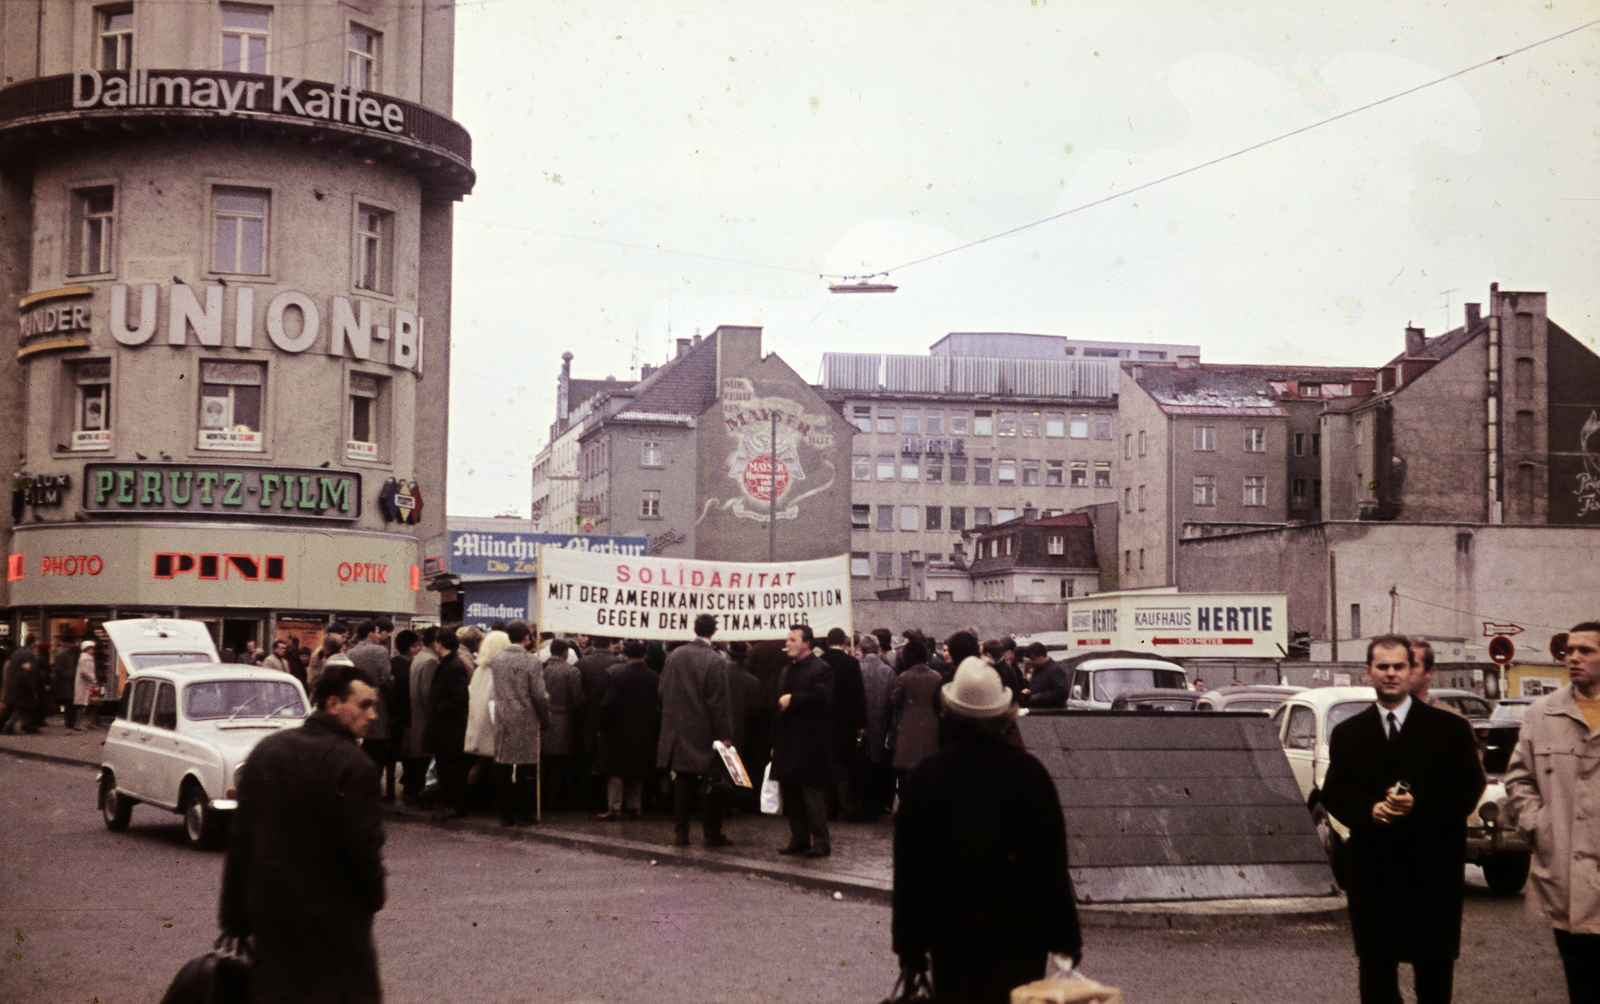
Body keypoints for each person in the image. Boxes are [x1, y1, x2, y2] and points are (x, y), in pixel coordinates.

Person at [894, 656, 1081, 1004]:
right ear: (1003, 711)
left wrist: (910, 948)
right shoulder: (1029, 773)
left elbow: (910, 868)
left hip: (951, 930)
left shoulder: (928, 775)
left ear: (948, 711)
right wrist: (1065, 939)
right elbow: (1050, 862)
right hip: (1019, 931)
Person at [1319, 634, 1485, 1004]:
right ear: (1368, 673)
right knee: (1376, 974)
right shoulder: (1348, 733)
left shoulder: (1449, 730)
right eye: (1382, 667)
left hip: (1432, 873)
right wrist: (1369, 810)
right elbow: (1335, 792)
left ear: (1413, 672)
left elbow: (1468, 790)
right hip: (1373, 874)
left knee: (1434, 975)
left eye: (1399, 666)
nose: (1391, 674)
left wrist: (1419, 805)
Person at [219, 659, 386, 1004]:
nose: (372, 716)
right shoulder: (354, 766)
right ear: (333, 704)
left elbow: (240, 841)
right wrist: (373, 897)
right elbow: (363, 852)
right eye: (365, 705)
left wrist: (234, 918)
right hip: (335, 925)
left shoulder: (268, 750)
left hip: (273, 918)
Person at [1504, 620, 1600, 1002]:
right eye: (1568, 650)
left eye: (1585, 651)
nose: (1573, 658)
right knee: (1582, 985)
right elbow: (1519, 779)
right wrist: (1539, 826)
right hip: (1567, 878)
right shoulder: (1542, 714)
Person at [657, 613, 735, 847]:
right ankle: (712, 834)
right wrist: (725, 734)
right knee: (710, 782)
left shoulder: (674, 656)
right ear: (713, 631)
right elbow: (718, 702)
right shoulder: (716, 660)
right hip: (703, 731)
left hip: (676, 730)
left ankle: (681, 833)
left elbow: (661, 690)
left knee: (683, 781)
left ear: (694, 628)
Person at [770, 625, 835, 857]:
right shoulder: (787, 669)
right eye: (787, 639)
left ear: (806, 643)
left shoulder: (821, 668)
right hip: (787, 741)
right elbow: (778, 708)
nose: (787, 643)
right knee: (791, 793)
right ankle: (799, 839)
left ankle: (821, 842)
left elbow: (821, 698)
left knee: (811, 795)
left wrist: (794, 699)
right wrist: (775, 741)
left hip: (810, 742)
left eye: (792, 639)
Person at [487, 621, 550, 827]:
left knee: (503, 766)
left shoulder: (496, 659)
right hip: (525, 717)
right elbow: (539, 695)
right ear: (526, 638)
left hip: (503, 716)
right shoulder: (530, 660)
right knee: (526, 767)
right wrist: (545, 717)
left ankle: (505, 814)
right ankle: (524, 813)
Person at [596, 640, 659, 820]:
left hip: (618, 730)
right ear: (644, 656)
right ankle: (634, 807)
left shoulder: (615, 673)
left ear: (625, 655)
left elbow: (608, 704)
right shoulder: (654, 677)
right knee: (637, 769)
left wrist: (602, 726)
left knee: (616, 770)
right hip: (644, 730)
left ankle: (614, 808)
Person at [820, 627, 868, 821]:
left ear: (827, 641)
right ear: (845, 642)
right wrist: (861, 723)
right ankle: (846, 808)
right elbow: (857, 694)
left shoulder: (819, 661)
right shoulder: (850, 663)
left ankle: (828, 808)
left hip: (824, 719)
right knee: (843, 764)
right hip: (845, 720)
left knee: (825, 763)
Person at [424, 627, 472, 819]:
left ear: (441, 644)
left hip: (449, 728)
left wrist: (439, 709)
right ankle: (452, 804)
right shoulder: (447, 663)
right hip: (444, 727)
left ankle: (456, 805)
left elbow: (460, 696)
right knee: (445, 768)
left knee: (451, 769)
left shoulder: (453, 665)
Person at [576, 637, 624, 811]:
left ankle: (585, 799)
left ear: (593, 643)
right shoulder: (619, 664)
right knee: (608, 759)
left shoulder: (582, 663)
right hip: (612, 718)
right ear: (610, 643)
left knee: (587, 759)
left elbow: (578, 694)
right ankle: (605, 800)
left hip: (588, 717)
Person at [540, 633, 587, 811]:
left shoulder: (540, 668)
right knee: (558, 765)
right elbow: (579, 700)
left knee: (543, 762)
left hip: (543, 721)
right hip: (563, 721)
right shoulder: (572, 671)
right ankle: (554, 801)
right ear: (566, 653)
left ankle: (541, 799)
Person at [345, 620, 396, 778]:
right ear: (370, 634)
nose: (378, 635)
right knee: (377, 753)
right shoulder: (380, 651)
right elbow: (387, 679)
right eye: (376, 632)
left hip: (354, 708)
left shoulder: (350, 653)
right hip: (376, 708)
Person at [891, 639, 942, 785]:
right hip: (932, 728)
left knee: (908, 773)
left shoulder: (904, 677)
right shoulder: (937, 676)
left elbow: (895, 700)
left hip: (909, 728)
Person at [857, 635, 896, 820]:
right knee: (878, 765)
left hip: (861, 724)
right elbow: (892, 702)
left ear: (862, 650)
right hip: (881, 723)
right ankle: (879, 805)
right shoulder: (888, 672)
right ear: (877, 649)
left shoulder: (856, 668)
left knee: (861, 765)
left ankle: (863, 806)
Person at [402, 626, 439, 801]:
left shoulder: (420, 657)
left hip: (416, 715)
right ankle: (420, 793)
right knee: (423, 760)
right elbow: (427, 693)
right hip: (425, 718)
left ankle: (413, 790)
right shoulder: (431, 661)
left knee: (418, 758)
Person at [0, 635, 45, 734]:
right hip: (21, 686)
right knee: (18, 707)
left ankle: (27, 726)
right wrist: (32, 687)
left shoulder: (17, 652)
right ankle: (10, 727)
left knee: (15, 707)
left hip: (14, 684)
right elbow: (28, 672)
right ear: (33, 642)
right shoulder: (28, 654)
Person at [1020, 643, 1069, 709]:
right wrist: (1030, 692)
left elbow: (1062, 693)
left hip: (1051, 712)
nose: (1031, 662)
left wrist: (1039, 697)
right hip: (1037, 710)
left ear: (1042, 656)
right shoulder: (1037, 668)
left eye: (1033, 658)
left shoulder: (1056, 670)